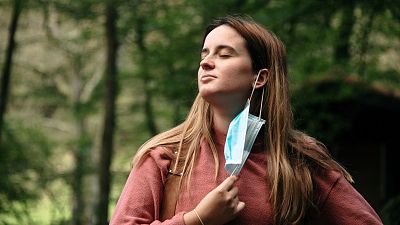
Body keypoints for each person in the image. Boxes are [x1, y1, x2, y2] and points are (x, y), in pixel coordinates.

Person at [109, 15, 383, 225]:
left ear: (260, 77)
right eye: (204, 55)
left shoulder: (300, 163)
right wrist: (196, 220)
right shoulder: (166, 156)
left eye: (224, 54)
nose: (206, 63)